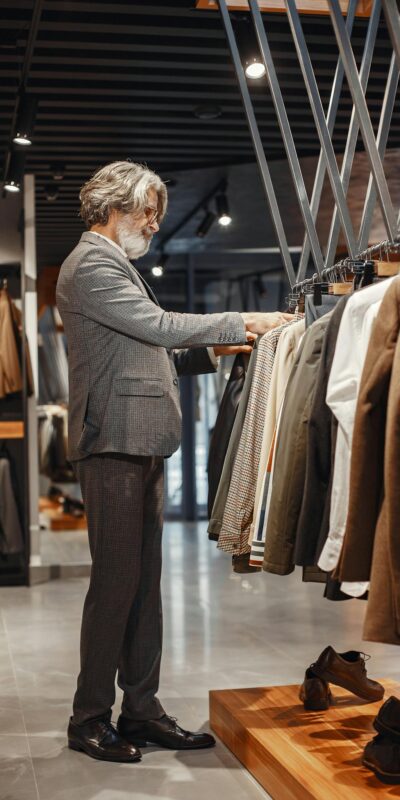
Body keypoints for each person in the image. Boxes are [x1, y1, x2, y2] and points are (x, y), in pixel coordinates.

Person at [56, 160, 292, 763]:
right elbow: (157, 328)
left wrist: (216, 347)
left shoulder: (116, 268)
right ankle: (88, 718)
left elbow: (145, 352)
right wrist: (245, 319)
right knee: (115, 584)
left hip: (138, 439)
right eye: (147, 210)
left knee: (143, 586)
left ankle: (140, 709)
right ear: (113, 206)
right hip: (112, 441)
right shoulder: (91, 265)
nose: (155, 223)